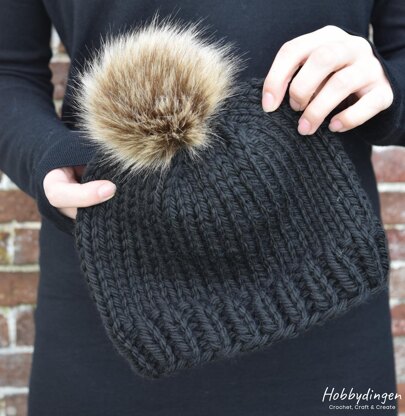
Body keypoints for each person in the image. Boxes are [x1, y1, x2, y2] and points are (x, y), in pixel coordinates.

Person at [0, 1, 404, 415]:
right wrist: (46, 156)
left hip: (330, 297)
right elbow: (9, 70)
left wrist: (386, 85)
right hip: (119, 307)